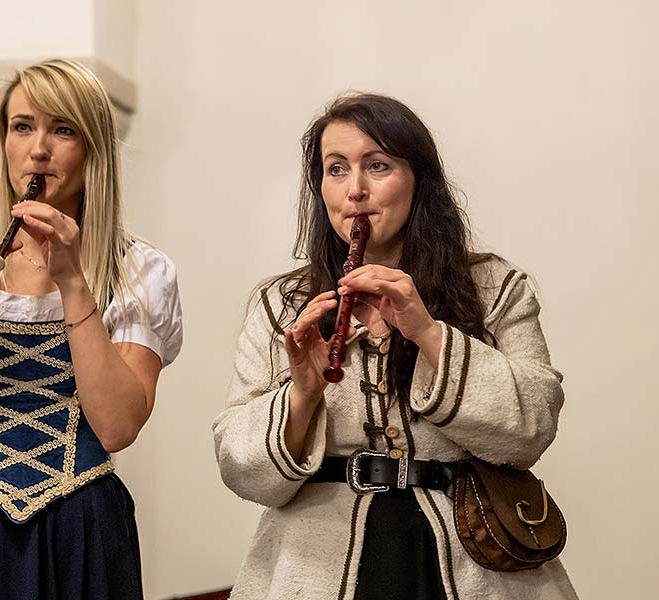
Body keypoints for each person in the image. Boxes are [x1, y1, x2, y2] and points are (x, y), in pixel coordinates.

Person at [212, 94, 576, 599]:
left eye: (377, 166)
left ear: (418, 178)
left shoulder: (494, 286)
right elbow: (241, 469)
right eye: (336, 169)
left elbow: (533, 427)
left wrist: (427, 331)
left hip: (471, 563)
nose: (355, 191)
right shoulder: (282, 303)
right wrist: (303, 394)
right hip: (314, 569)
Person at [0, 58, 182, 600]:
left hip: (82, 530)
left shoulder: (138, 272)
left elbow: (117, 427)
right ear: (4, 140)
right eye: (22, 126)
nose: (38, 148)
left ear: (92, 147)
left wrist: (72, 279)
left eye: (62, 129)